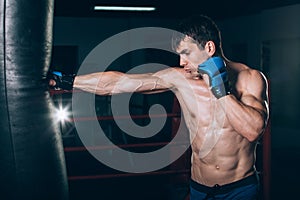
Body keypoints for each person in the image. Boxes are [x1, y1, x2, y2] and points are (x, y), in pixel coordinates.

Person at [49, 15, 269, 200]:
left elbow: (253, 130)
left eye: (186, 53)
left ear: (209, 48)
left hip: (239, 190)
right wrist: (67, 81)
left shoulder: (250, 79)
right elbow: (120, 83)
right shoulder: (181, 79)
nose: (182, 62)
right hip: (199, 189)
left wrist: (221, 91)